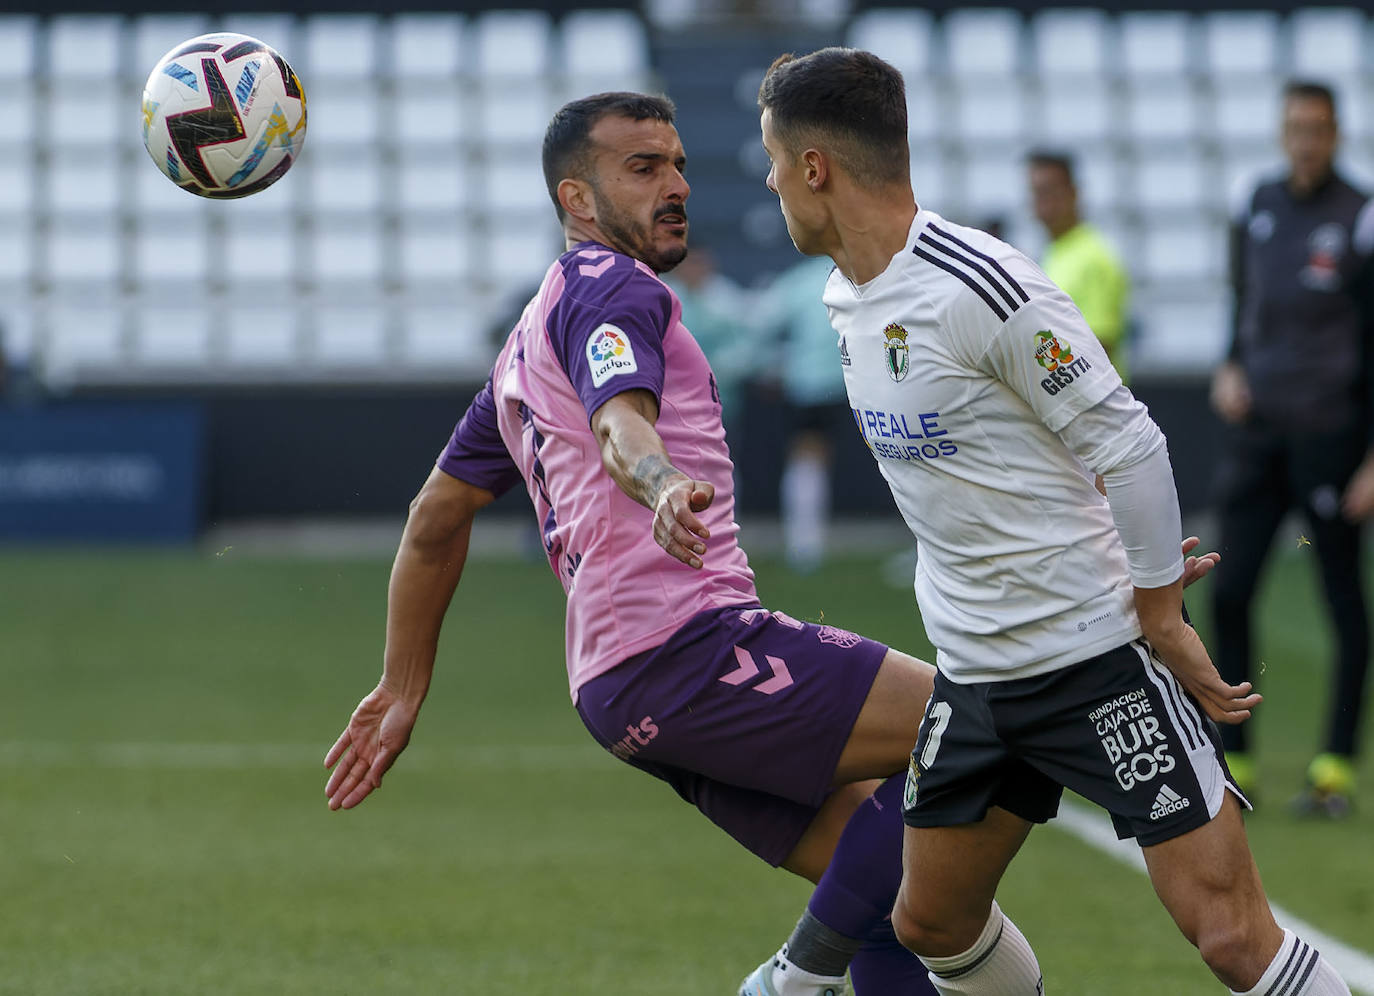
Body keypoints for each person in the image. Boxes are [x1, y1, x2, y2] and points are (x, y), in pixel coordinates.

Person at [757, 48, 1351, 996]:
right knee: (929, 919)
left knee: (1234, 941)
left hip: (1097, 662)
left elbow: (1135, 448)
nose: (773, 183)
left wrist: (1158, 617)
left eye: (775, 162)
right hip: (977, 677)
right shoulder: (845, 298)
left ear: (815, 168)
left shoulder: (983, 287)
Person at [323, 90, 945, 996]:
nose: (676, 185)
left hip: (621, 689)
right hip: (688, 651)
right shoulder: (612, 288)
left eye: (680, 164)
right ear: (578, 200)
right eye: (643, 168)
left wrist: (402, 682)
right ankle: (794, 980)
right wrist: (657, 485)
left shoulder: (527, 340)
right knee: (983, 723)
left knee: (889, 900)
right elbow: (622, 424)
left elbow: (433, 520)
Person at [1210, 79, 1373, 818]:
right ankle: (1234, 756)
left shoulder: (1361, 218)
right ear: (1283, 132)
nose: (1305, 139)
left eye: (1318, 127)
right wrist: (1230, 364)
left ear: (1335, 133)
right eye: (1295, 126)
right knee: (1230, 587)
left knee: (1340, 599)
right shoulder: (1258, 204)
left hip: (1331, 439)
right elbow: (1243, 304)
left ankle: (1332, 768)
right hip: (1259, 434)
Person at [754, 254, 852, 573]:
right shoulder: (852, 275)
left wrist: (773, 363)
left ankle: (804, 545)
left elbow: (761, 322)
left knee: (807, 461)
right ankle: (805, 545)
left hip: (808, 384)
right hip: (846, 384)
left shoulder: (797, 281)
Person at [1026, 149, 1132, 380]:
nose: (1042, 203)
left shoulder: (1094, 258)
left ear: (1074, 192)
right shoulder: (1051, 254)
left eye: (1049, 191)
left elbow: (1099, 347)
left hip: (1093, 405)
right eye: (1036, 193)